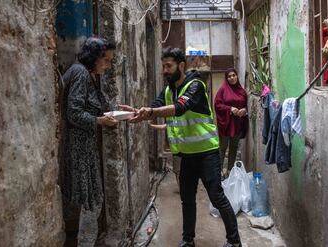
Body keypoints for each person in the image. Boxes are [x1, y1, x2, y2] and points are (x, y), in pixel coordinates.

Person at [127, 47, 241, 247]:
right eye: (163, 66)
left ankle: (234, 240)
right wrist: (140, 112)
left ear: (181, 65)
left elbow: (180, 108)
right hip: (186, 156)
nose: (164, 70)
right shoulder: (169, 90)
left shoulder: (195, 85)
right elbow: (155, 106)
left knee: (216, 197)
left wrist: (150, 111)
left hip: (207, 153)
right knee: (187, 199)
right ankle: (188, 240)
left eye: (168, 66)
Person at [59, 37, 118, 247]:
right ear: (94, 57)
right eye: (106, 60)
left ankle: (86, 242)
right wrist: (100, 120)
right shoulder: (81, 74)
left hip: (86, 148)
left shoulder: (89, 76)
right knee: (92, 202)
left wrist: (120, 111)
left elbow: (98, 105)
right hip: (79, 149)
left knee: (92, 201)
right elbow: (73, 113)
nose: (108, 65)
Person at [214, 69, 248, 177]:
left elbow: (245, 105)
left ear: (237, 76)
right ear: (226, 78)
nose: (232, 78)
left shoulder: (242, 91)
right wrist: (230, 109)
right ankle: (218, 171)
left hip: (237, 124)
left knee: (234, 148)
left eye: (234, 75)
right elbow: (217, 105)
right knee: (222, 148)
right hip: (226, 124)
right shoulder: (223, 90)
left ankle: (229, 171)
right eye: (229, 76)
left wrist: (244, 110)